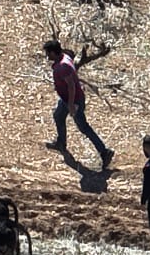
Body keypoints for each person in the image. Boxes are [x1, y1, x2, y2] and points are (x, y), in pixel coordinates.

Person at [43, 39, 113, 169]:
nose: (47, 56)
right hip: (66, 99)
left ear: (53, 52)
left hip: (73, 100)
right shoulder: (65, 56)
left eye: (48, 53)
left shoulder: (62, 66)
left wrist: (70, 104)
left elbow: (71, 86)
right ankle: (61, 143)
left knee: (83, 127)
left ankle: (104, 152)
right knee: (58, 116)